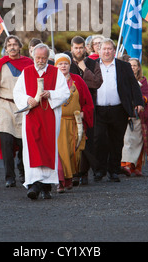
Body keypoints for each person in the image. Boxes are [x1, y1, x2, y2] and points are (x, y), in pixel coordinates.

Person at [13, 43, 70, 200]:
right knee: (33, 148)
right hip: (32, 115)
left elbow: (65, 92)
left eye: (44, 58)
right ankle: (34, 184)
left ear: (47, 58)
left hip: (50, 116)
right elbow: (17, 93)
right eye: (38, 58)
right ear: (33, 56)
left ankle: (45, 187)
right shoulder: (26, 72)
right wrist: (28, 99)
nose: (40, 60)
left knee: (47, 147)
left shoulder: (56, 73)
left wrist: (50, 94)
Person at [0, 35, 33, 187]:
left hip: (23, 107)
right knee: (6, 143)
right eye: (9, 44)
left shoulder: (28, 63)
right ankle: (9, 177)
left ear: (19, 46)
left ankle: (24, 173)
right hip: (4, 106)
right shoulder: (1, 64)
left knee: (24, 144)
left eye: (15, 44)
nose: (12, 47)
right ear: (5, 47)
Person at [93, 38, 144, 182]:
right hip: (98, 110)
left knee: (116, 142)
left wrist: (138, 102)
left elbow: (134, 85)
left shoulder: (123, 66)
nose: (107, 51)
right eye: (104, 49)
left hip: (118, 110)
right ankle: (99, 170)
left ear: (114, 51)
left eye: (110, 49)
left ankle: (114, 171)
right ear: (99, 51)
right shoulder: (92, 65)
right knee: (99, 141)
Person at [66, 35, 103, 185]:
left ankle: (84, 173)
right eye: (76, 48)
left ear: (85, 48)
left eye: (81, 47)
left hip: (89, 106)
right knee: (73, 139)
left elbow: (96, 82)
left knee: (88, 139)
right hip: (70, 106)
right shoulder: (66, 64)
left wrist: (84, 69)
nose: (79, 50)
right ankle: (75, 172)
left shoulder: (92, 63)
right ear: (71, 49)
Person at [54, 53, 94, 193]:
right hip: (57, 123)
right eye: (60, 63)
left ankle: (69, 179)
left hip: (74, 123)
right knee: (59, 153)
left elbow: (88, 102)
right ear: (55, 66)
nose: (63, 66)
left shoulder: (77, 80)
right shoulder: (51, 81)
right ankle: (60, 181)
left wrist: (84, 113)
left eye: (65, 63)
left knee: (73, 153)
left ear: (69, 65)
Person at [121, 58, 148, 176]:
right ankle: (126, 165)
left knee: (139, 141)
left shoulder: (143, 81)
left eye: (135, 65)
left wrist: (141, 100)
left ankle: (136, 166)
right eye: (130, 65)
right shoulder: (122, 79)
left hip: (139, 116)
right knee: (127, 140)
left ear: (139, 67)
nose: (133, 67)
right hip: (125, 114)